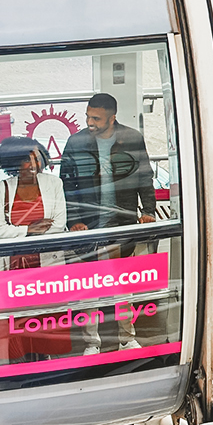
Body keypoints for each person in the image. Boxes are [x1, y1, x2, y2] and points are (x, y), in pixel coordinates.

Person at [60, 93, 158, 353]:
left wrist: (148, 210)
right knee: (90, 287)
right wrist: (74, 220)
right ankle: (92, 343)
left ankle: (127, 339)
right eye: (88, 116)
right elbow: (66, 183)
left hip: (121, 221)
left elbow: (144, 177)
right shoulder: (76, 141)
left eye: (96, 118)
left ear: (112, 117)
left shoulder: (132, 138)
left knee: (122, 285)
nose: (90, 122)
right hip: (89, 226)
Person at [0, 138, 68, 360]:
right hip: (13, 268)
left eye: (37, 157)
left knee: (46, 324)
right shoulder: (2, 188)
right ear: (13, 163)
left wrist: (18, 230)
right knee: (18, 326)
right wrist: (28, 231)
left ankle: (45, 365)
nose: (33, 164)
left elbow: (59, 225)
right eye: (26, 159)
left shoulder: (54, 184)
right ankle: (22, 368)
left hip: (46, 265)